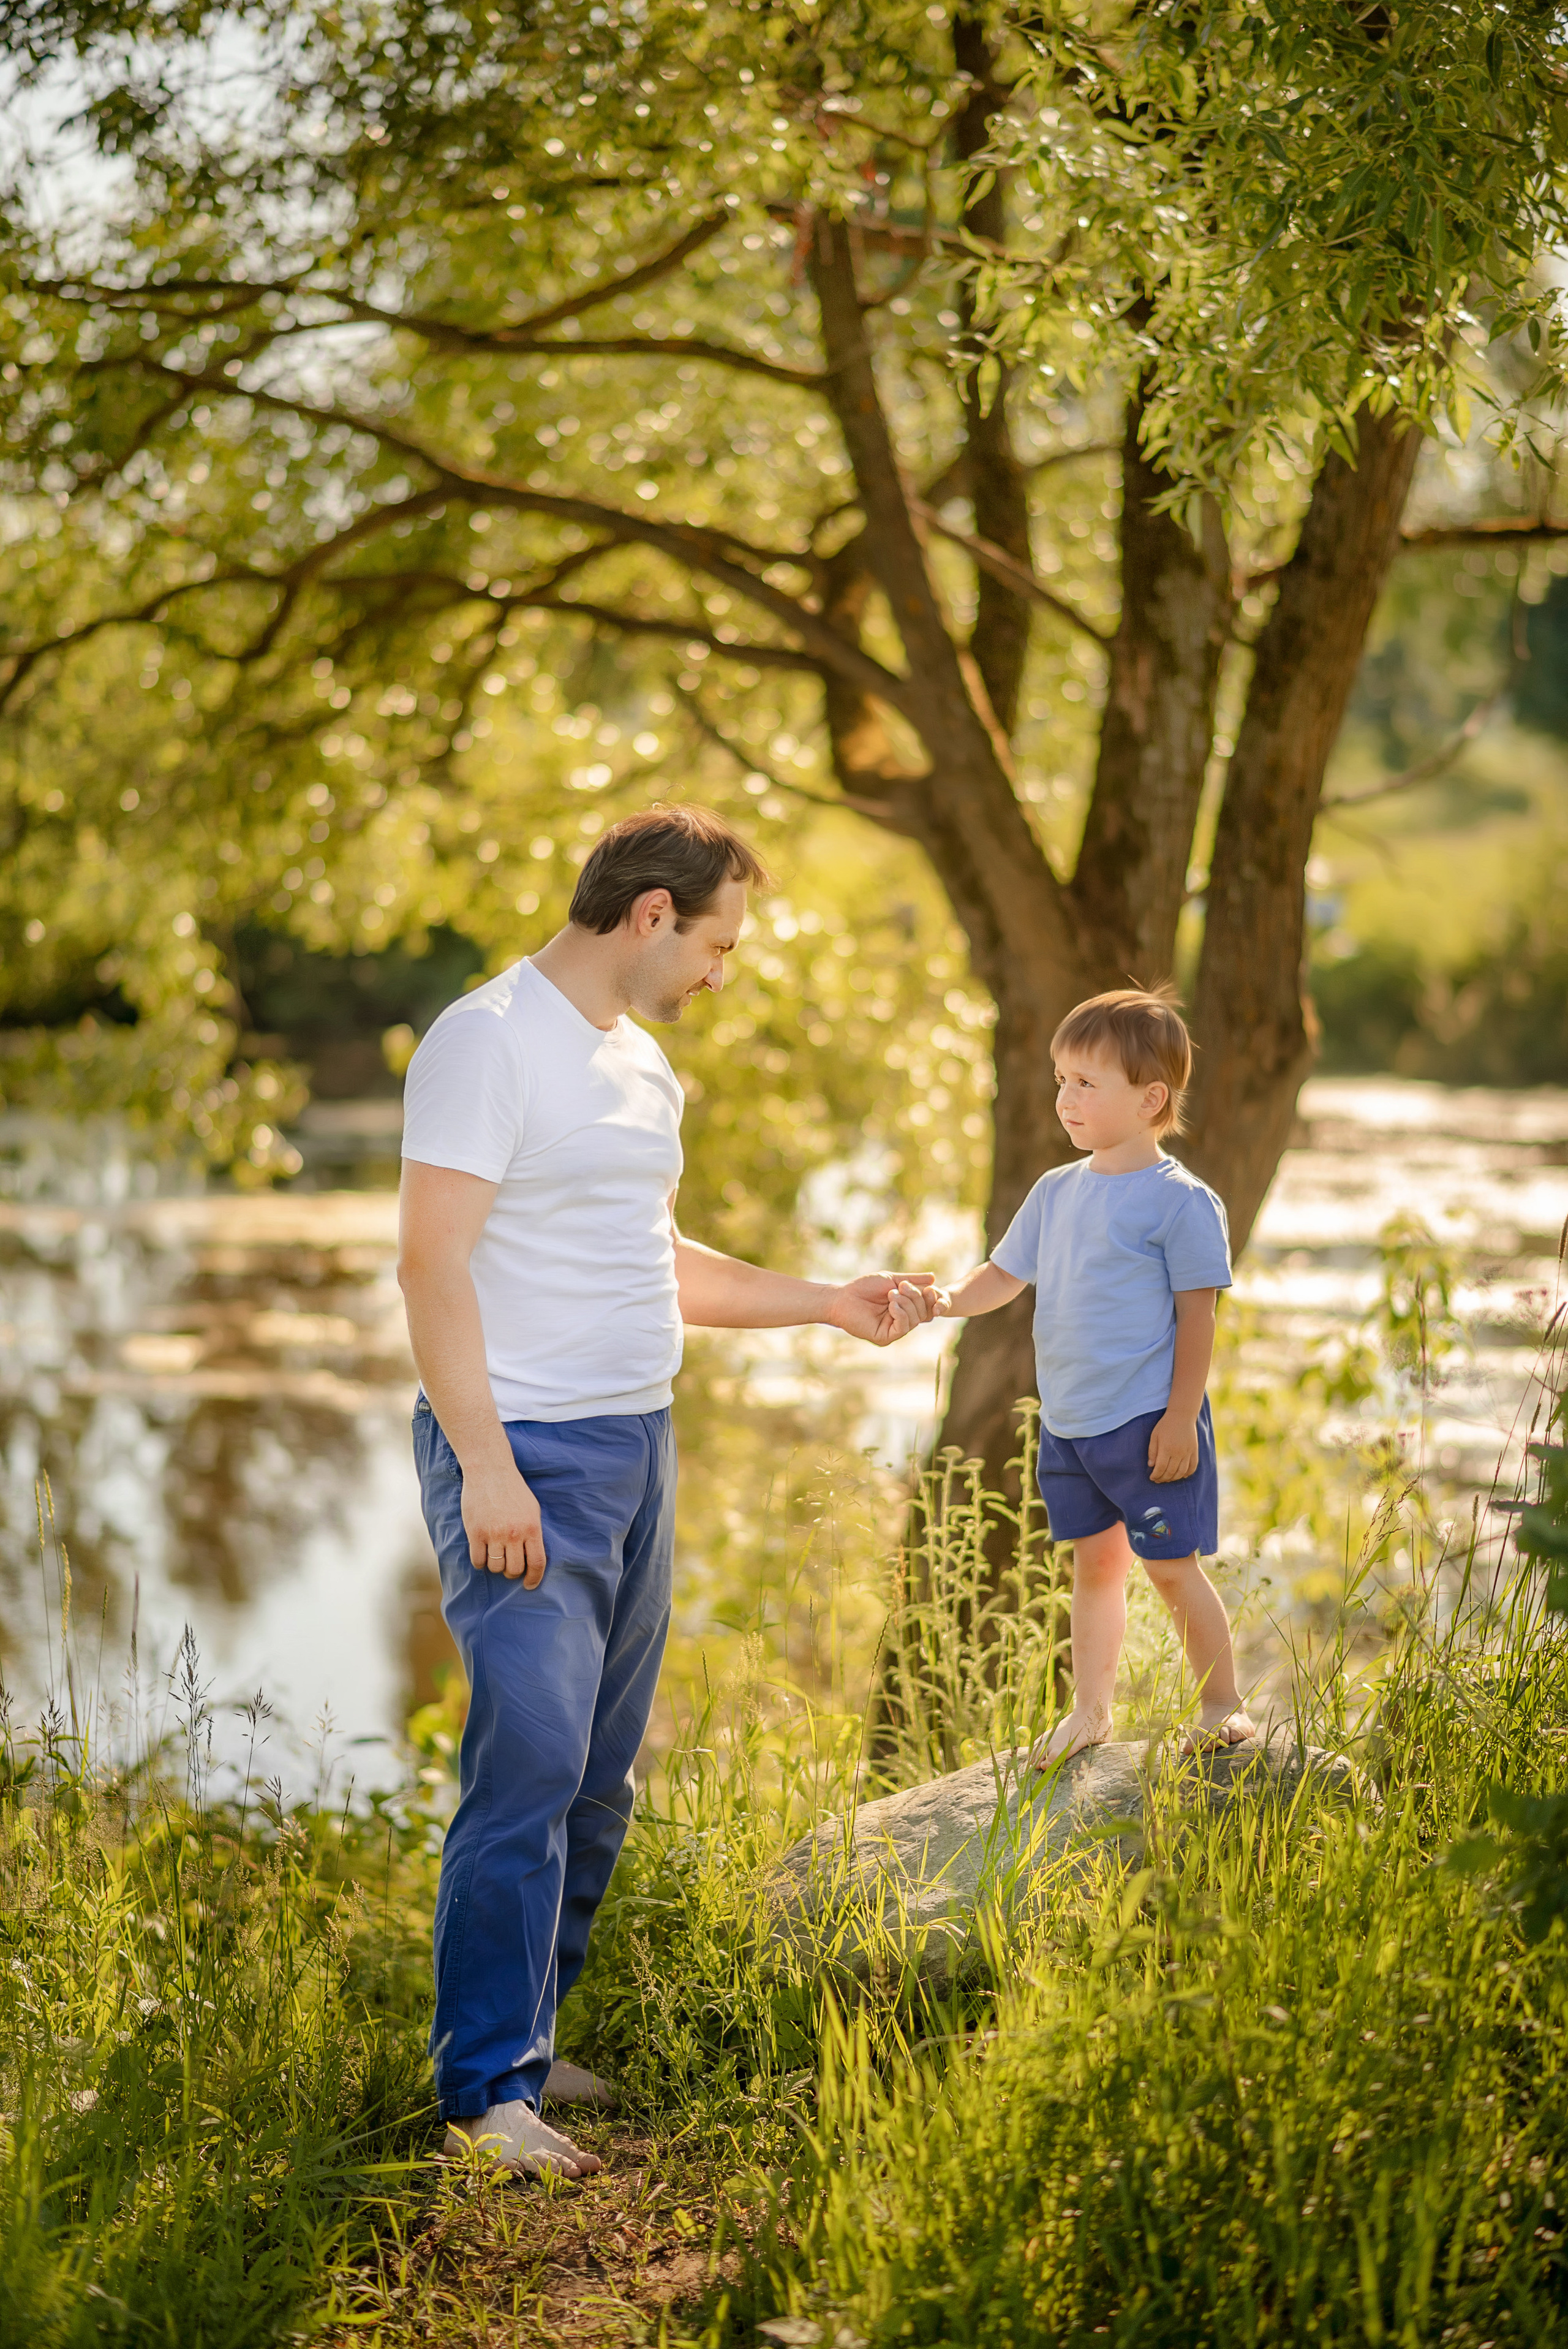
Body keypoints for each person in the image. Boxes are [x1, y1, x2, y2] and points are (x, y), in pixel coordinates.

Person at [397, 803, 933, 2181]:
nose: (720, 972)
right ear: (649, 915)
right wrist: (488, 1468)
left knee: (596, 1774)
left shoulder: (639, 1065)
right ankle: (481, 2093)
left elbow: (653, 1256)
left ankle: (529, 2036)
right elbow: (430, 1263)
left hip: (640, 1444)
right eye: (716, 944)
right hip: (525, 1452)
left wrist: (828, 1301)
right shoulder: (486, 1040)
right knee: (526, 1766)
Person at [933, 986, 1256, 1766]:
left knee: (1170, 1569)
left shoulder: (1181, 1203)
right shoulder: (1055, 1191)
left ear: (1150, 1099)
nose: (1065, 1098)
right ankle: (1090, 1713)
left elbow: (1198, 1319)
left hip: (1147, 1422)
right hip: (1070, 1423)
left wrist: (1179, 1419)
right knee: (1095, 1568)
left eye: (1086, 1082)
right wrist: (939, 1301)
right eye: (1061, 1080)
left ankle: (1223, 1705)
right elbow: (1001, 1277)